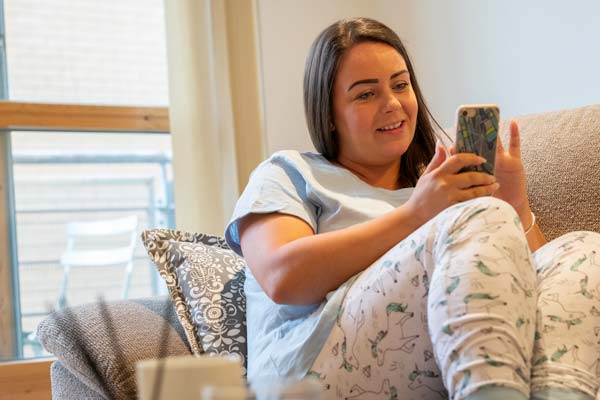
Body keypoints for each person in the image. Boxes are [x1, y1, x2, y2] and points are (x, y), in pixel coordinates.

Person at [224, 17, 600, 400]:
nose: (392, 104)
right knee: (478, 216)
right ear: (329, 114)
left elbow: (537, 290)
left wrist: (515, 208)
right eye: (366, 94)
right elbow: (282, 277)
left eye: (400, 85)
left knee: (585, 248)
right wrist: (419, 213)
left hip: (432, 359)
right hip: (309, 371)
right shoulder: (289, 172)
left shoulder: (438, 188)